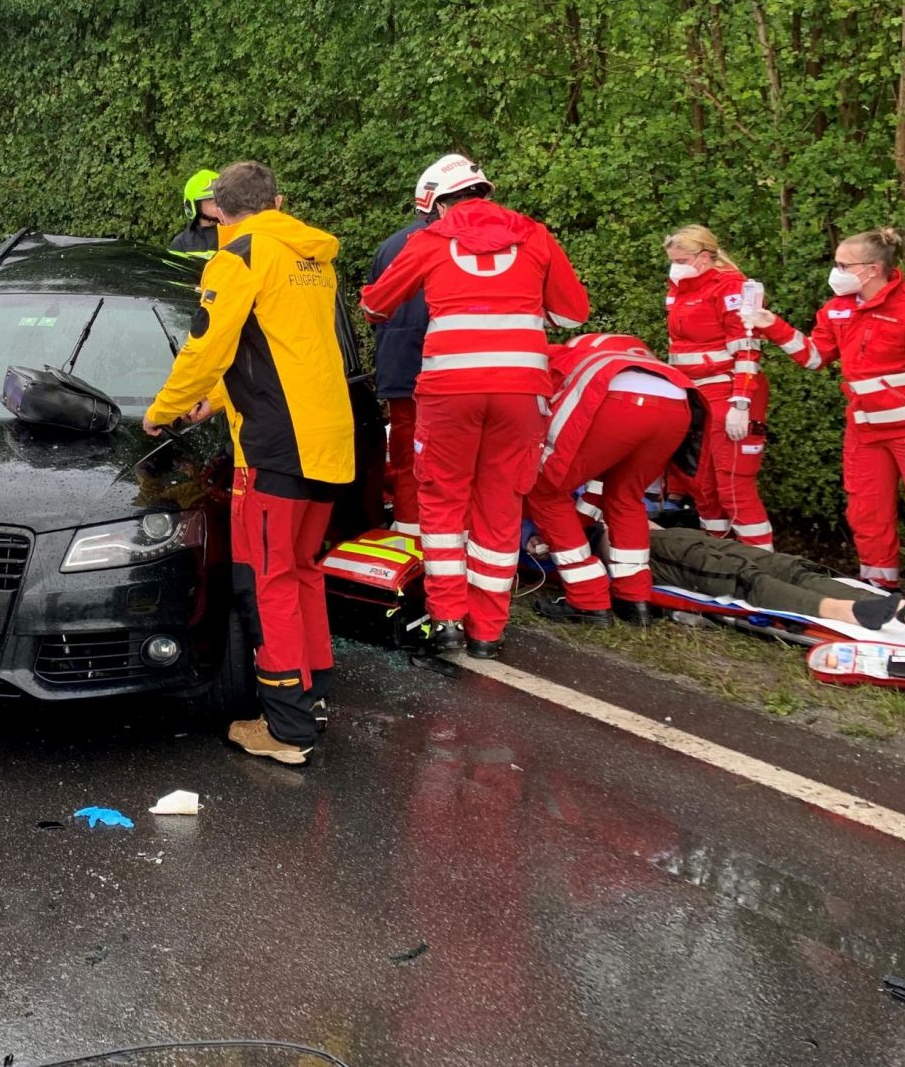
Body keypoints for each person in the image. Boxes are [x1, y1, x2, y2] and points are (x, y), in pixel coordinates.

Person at [143, 161, 355, 766]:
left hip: (273, 443)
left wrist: (167, 408)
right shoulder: (311, 257)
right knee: (304, 568)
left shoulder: (235, 257)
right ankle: (312, 695)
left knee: (267, 580)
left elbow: (210, 343)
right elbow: (281, 349)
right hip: (327, 434)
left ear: (214, 210)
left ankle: (286, 728)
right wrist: (219, 401)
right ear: (278, 202)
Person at [359, 156, 589, 657]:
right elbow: (574, 314)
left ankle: (447, 622)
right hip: (522, 393)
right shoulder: (535, 236)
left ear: (439, 204)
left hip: (450, 393)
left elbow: (376, 305)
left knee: (442, 501)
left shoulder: (429, 241)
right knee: (501, 502)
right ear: (482, 192)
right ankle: (488, 630)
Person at [746, 226, 905, 589]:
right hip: (864, 431)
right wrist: (773, 326)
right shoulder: (837, 310)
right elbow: (815, 358)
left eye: (843, 265)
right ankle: (880, 593)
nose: (836, 272)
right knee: (867, 514)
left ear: (873, 269)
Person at [526, 335, 693, 626]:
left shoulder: (551, 360)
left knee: (545, 488)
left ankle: (587, 598)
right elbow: (599, 482)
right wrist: (579, 522)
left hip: (613, 394)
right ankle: (635, 598)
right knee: (626, 496)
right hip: (678, 400)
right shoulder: (612, 348)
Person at [662, 225, 798, 550]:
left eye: (682, 259)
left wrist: (741, 403)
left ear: (706, 256)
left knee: (734, 486)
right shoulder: (679, 288)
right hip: (695, 395)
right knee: (703, 486)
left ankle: (762, 564)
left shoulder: (732, 287)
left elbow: (747, 349)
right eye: (672, 260)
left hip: (727, 391)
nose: (676, 265)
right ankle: (720, 556)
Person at [368, 161, 452, 535]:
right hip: (449, 371)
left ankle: (408, 537)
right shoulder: (461, 244)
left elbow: (375, 309)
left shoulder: (390, 246)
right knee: (453, 461)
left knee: (407, 459)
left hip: (401, 369)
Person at [647, 527, 905, 632]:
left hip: (659, 532)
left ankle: (902, 609)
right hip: (635, 548)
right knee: (739, 577)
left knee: (785, 566)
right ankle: (848, 612)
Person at [167, 169, 221, 259]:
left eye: (220, 198)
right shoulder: (181, 243)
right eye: (210, 199)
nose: (218, 203)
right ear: (194, 205)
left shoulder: (234, 232)